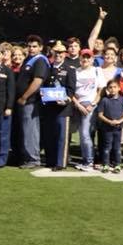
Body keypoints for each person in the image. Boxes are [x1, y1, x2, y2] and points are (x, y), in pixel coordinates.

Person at [40, 42, 77, 171]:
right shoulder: (48, 68)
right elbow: (44, 86)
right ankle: (50, 160)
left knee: (62, 136)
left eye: (61, 53)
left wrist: (66, 100)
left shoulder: (69, 69)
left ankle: (61, 162)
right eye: (56, 52)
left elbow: (71, 90)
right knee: (50, 135)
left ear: (65, 54)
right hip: (49, 107)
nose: (58, 55)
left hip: (63, 108)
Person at [14, 35, 49, 168]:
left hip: (31, 101)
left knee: (31, 130)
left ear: (40, 48)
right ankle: (28, 157)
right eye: (29, 46)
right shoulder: (30, 59)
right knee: (26, 129)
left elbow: (37, 81)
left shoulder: (39, 61)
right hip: (26, 102)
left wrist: (24, 97)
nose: (31, 48)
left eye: (34, 46)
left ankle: (33, 159)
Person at [72, 49, 105, 171]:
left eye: (88, 57)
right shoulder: (75, 72)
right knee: (81, 134)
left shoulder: (97, 71)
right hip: (77, 105)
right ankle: (86, 159)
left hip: (91, 105)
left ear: (92, 59)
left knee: (85, 134)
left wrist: (93, 104)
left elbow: (101, 90)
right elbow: (71, 91)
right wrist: (78, 105)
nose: (85, 60)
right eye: (83, 57)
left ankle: (89, 161)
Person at [96, 79, 123, 173]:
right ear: (107, 89)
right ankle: (105, 164)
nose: (112, 89)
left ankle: (117, 165)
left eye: (115, 87)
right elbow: (100, 114)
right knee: (107, 147)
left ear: (119, 88)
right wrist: (109, 121)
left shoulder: (122, 100)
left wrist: (119, 121)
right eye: (110, 87)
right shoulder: (104, 100)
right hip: (107, 129)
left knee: (117, 147)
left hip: (118, 128)